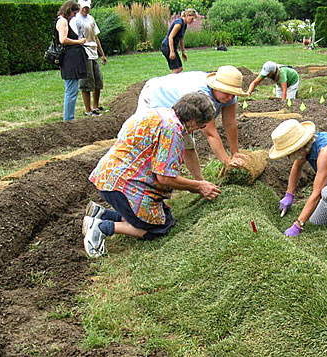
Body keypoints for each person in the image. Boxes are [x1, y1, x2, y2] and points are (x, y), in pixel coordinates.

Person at [83, 92, 221, 258]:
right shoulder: (172, 130)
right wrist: (198, 186)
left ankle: (103, 214)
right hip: (122, 186)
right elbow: (164, 177)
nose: (200, 129)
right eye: (201, 125)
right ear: (192, 120)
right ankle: (102, 227)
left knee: (161, 214)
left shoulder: (159, 113)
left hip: (107, 176)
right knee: (161, 226)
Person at [136, 66, 248, 179]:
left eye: (233, 93)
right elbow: (211, 134)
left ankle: (200, 182)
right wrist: (227, 161)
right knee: (150, 141)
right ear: (216, 87)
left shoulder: (230, 95)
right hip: (155, 95)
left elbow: (230, 124)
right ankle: (146, 178)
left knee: (188, 144)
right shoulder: (201, 95)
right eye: (227, 93)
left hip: (180, 107)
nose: (230, 97)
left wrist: (235, 153)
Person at [70, 0, 108, 117]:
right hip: (83, 52)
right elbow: (74, 38)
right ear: (79, 7)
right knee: (87, 81)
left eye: (87, 8)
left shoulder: (91, 19)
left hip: (93, 51)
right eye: (84, 8)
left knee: (98, 80)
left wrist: (102, 54)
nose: (86, 10)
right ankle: (88, 109)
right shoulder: (75, 20)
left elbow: (95, 38)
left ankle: (95, 107)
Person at [55, 0, 87, 121]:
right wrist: (78, 41)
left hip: (72, 59)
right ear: (69, 10)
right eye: (74, 13)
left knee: (72, 89)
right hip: (69, 60)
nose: (74, 16)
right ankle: (68, 119)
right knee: (71, 90)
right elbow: (63, 40)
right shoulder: (62, 21)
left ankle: (69, 117)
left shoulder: (63, 20)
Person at [161, 9, 197, 73]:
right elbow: (170, 37)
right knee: (176, 70)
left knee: (180, 68)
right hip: (167, 46)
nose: (193, 21)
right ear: (187, 16)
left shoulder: (184, 25)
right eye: (192, 19)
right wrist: (172, 52)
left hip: (172, 48)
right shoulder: (179, 24)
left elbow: (181, 39)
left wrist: (183, 52)